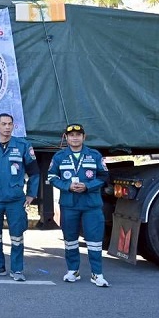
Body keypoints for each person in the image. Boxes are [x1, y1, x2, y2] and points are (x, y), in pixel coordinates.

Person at [47, 123, 111, 287]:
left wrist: (87, 186)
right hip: (69, 204)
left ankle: (97, 274)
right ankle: (73, 271)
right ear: (66, 138)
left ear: (84, 137)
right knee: (70, 240)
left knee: (95, 241)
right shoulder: (59, 157)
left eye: (78, 135)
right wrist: (67, 186)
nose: (75, 138)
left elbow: (104, 176)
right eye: (71, 135)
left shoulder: (94, 155)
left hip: (91, 205)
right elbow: (52, 177)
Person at [0, 113, 40, 281]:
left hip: (15, 199)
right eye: (4, 124)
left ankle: (17, 270)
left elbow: (34, 172)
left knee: (17, 236)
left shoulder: (23, 146)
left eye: (10, 124)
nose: (7, 127)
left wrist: (31, 194)